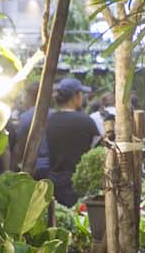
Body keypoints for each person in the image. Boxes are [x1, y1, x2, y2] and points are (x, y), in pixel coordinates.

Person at [38, 77, 101, 207]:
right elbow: (97, 150)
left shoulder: (48, 120)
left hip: (53, 183)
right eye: (81, 94)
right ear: (75, 96)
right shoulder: (86, 121)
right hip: (79, 184)